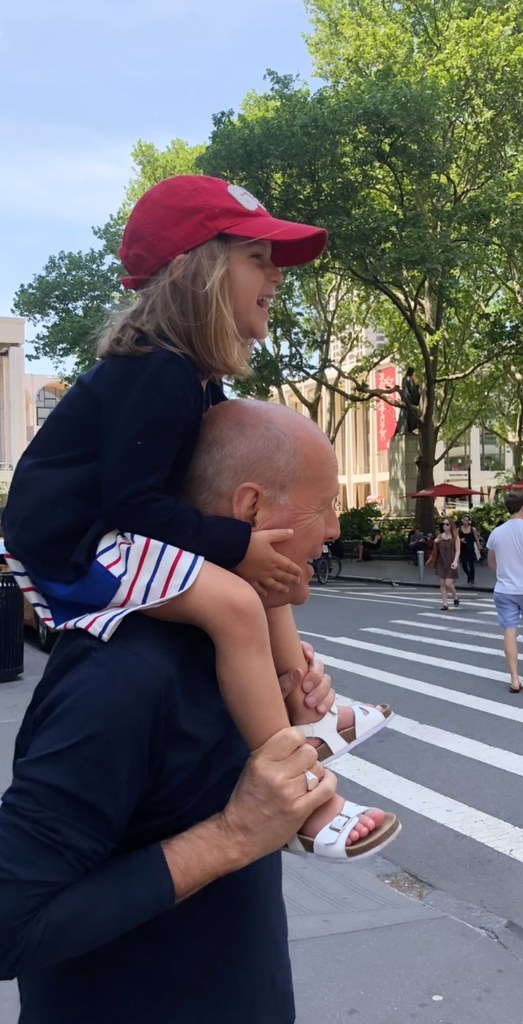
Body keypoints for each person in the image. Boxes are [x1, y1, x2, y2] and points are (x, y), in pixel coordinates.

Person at [2, 175, 385, 852]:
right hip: (74, 550)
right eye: (256, 258)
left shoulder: (191, 375)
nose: (276, 276)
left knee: (254, 574)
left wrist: (248, 551)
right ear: (194, 274)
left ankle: (307, 713)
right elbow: (134, 503)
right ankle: (305, 800)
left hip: (108, 534)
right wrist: (235, 544)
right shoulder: (159, 370)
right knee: (235, 602)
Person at [0, 399, 401, 1023]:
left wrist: (296, 705)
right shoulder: (119, 677)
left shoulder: (237, 651)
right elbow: (10, 925)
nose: (334, 532)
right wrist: (234, 835)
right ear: (250, 510)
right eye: (323, 508)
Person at [487, 490, 523, 693]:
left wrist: (506, 573)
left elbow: (492, 563)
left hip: (505, 589)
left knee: (510, 631)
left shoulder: (496, 533)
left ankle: (515, 679)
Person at [429, 517, 460, 609]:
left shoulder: (455, 537)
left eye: (447, 524)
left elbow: (458, 551)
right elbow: (435, 550)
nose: (445, 526)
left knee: (448, 583)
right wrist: (435, 542)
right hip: (441, 562)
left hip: (451, 562)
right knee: (442, 584)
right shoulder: (440, 536)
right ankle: (445, 604)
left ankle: (455, 596)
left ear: (451, 526)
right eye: (443, 524)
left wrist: (455, 561)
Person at [392, 367, 421, 435]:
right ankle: (407, 430)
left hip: (405, 400)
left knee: (404, 416)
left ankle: (405, 429)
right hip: (409, 401)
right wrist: (418, 391)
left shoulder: (404, 379)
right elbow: (413, 390)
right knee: (409, 416)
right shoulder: (409, 378)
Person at [458, 514, 481, 585]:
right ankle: (468, 575)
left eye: (467, 520)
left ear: (469, 522)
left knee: (471, 565)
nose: (465, 521)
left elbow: (476, 539)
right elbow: (455, 538)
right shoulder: (459, 529)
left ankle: (472, 579)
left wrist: (479, 547)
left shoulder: (472, 529)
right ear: (462, 520)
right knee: (464, 565)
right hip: (462, 549)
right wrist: (460, 540)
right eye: (464, 520)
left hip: (470, 548)